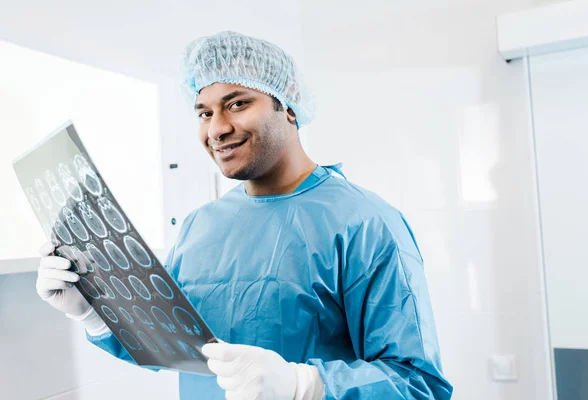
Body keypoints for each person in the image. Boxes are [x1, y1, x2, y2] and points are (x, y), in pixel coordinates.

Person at [36, 30, 453, 399]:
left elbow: (417, 384)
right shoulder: (201, 225)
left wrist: (303, 385)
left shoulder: (364, 223)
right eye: (204, 112)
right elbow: (172, 347)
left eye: (236, 103)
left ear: (287, 105)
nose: (216, 128)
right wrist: (92, 312)